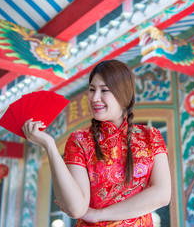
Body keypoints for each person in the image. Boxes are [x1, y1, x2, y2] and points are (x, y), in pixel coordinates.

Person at [23, 59, 171, 226]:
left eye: (104, 90)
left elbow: (162, 194)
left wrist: (99, 215)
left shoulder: (150, 136)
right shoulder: (79, 140)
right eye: (92, 90)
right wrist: (49, 146)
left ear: (124, 95)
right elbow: (76, 208)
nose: (94, 98)